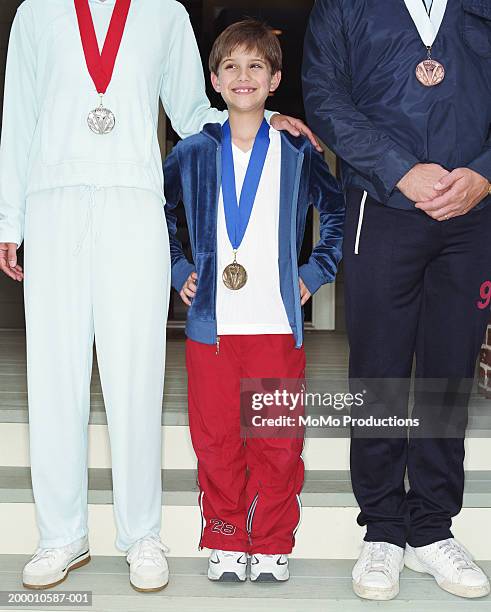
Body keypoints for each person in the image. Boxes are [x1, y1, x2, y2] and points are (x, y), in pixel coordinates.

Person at [0, 0, 317, 593]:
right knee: (53, 373)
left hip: (135, 202)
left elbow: (196, 109)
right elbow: (18, 114)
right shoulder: (36, 12)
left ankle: (141, 532)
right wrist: (9, 219)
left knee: (136, 374)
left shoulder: (165, 13)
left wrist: (259, 120)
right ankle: (60, 534)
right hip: (53, 198)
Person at [303, 0, 491, 601]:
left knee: (448, 367)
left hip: (473, 211)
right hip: (380, 208)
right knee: (379, 370)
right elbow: (326, 96)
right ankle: (383, 529)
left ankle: (433, 528)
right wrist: (399, 169)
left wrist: (486, 172)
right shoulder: (345, 6)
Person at [164, 19, 345, 583]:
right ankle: (223, 535)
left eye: (256, 67)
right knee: (216, 440)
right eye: (232, 67)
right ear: (214, 80)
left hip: (274, 325)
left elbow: (335, 216)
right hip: (211, 328)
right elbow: (159, 220)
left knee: (277, 441)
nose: (244, 76)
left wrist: (315, 271)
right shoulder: (192, 152)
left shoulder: (297, 149)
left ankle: (269, 540)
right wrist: (178, 268)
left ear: (274, 79)